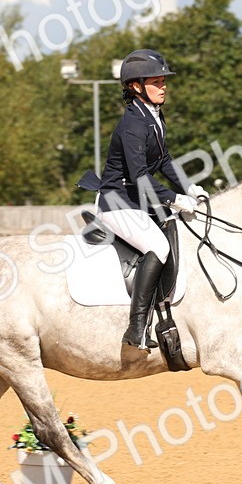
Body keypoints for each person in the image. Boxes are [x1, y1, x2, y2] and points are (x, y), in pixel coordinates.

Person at [90, 49, 207, 349]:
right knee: (158, 246)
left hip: (135, 200)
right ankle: (137, 328)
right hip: (115, 201)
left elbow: (164, 159)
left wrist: (190, 187)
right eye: (157, 81)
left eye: (163, 80)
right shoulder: (133, 124)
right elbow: (141, 175)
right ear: (135, 86)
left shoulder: (153, 115)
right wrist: (174, 199)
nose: (164, 85)